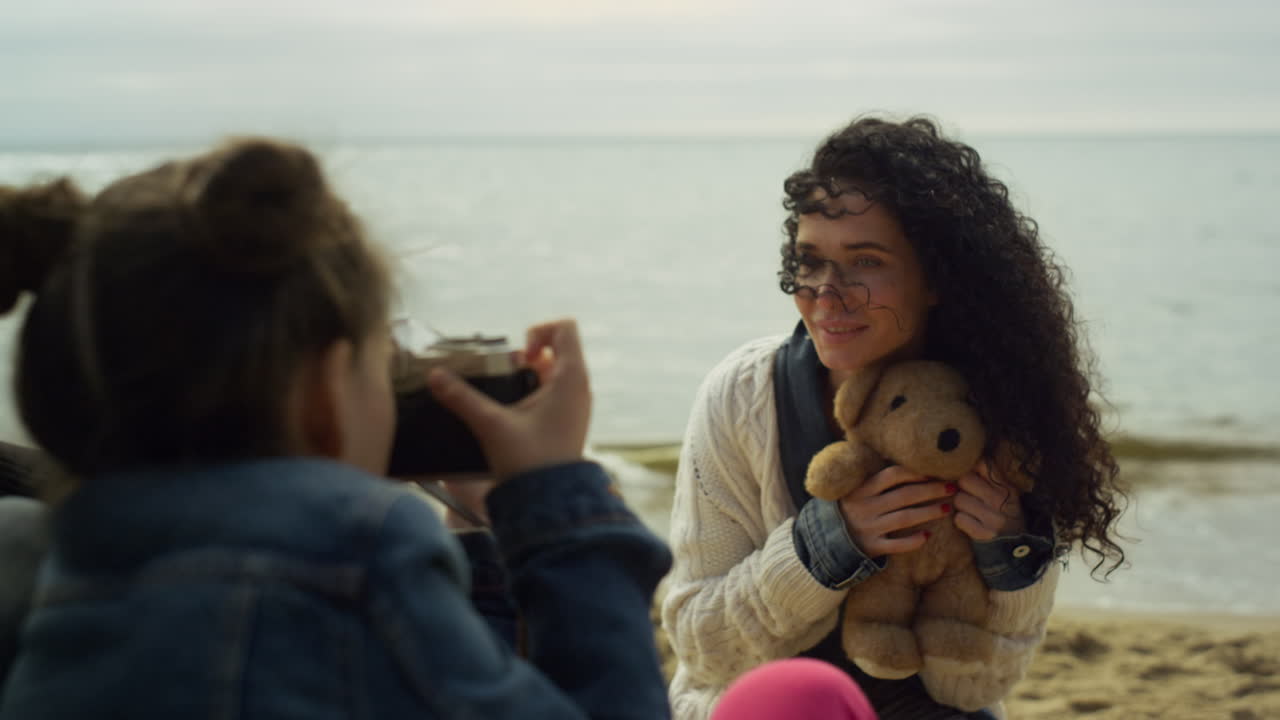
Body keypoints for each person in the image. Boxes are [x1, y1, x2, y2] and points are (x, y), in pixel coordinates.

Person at [0, 138, 672, 719]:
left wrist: (478, 536)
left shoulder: (57, 558)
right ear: (326, 385)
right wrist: (556, 499)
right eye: (383, 359)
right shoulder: (353, 551)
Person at [661, 115, 1126, 720]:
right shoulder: (741, 396)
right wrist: (827, 547)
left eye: (866, 261)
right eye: (811, 261)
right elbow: (703, 650)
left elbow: (976, 690)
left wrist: (1007, 548)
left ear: (937, 277)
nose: (827, 293)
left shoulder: (1002, 413)